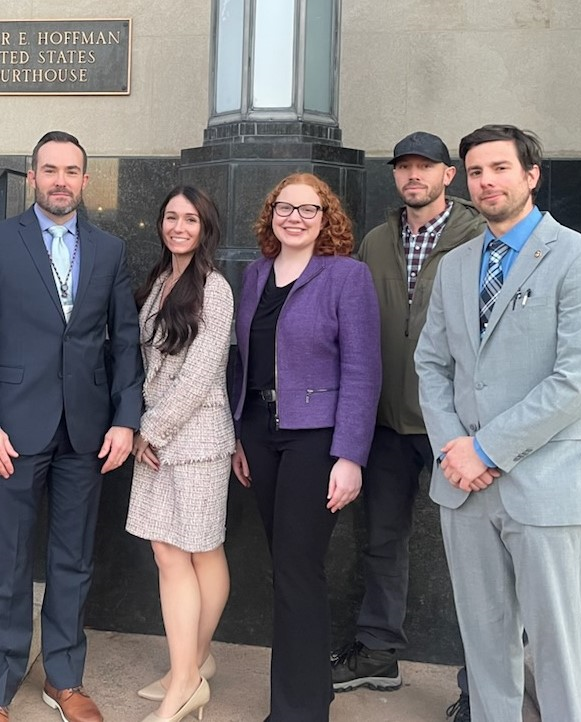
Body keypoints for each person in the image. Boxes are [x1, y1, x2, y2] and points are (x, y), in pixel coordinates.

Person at [415, 124, 581, 722]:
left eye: (500, 168)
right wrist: (455, 447)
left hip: (548, 486)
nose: (486, 182)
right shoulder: (455, 266)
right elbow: (431, 363)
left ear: (531, 175)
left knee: (557, 652)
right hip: (464, 490)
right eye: (476, 171)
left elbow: (578, 380)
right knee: (484, 649)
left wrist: (486, 449)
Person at [0, 130, 143, 722]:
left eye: (72, 170)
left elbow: (125, 345)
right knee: (7, 560)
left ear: (86, 181)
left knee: (73, 557)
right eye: (50, 169)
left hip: (86, 433)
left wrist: (126, 420)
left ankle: (63, 677)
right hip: (10, 431)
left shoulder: (109, 250)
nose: (61, 180)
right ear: (32, 176)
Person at [330, 132, 484, 718]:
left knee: (473, 556)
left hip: (456, 426)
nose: (413, 175)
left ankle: (481, 681)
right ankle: (378, 653)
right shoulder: (375, 240)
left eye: (425, 166)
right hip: (387, 421)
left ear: (448, 175)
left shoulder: (475, 235)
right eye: (404, 167)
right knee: (382, 543)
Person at [230, 173, 381, 721]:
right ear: (271, 215)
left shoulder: (347, 276)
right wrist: (239, 435)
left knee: (298, 568)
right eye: (284, 208)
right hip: (260, 435)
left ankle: (296, 711)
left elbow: (363, 369)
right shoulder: (253, 275)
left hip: (317, 440)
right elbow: (242, 363)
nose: (294, 217)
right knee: (289, 565)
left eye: (308, 209)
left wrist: (351, 456)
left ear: (327, 218)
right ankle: (313, 692)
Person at [125, 186, 235, 722]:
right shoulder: (158, 281)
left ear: (204, 227)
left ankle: (186, 678)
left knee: (197, 550)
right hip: (156, 441)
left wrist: (151, 429)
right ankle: (192, 666)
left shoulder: (214, 288)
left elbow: (200, 374)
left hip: (193, 440)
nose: (179, 226)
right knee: (170, 553)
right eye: (171, 216)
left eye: (190, 219)